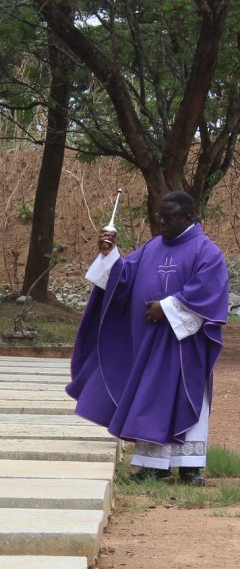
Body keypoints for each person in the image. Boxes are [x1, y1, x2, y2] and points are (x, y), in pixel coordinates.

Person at [66, 191, 229, 484]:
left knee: (186, 398)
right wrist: (109, 255)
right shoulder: (153, 246)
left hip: (184, 346)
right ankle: (154, 466)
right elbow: (124, 277)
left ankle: (190, 468)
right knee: (151, 399)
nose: (161, 222)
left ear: (188, 217)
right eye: (159, 216)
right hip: (150, 343)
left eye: (168, 217)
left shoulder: (207, 251)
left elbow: (209, 292)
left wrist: (166, 307)